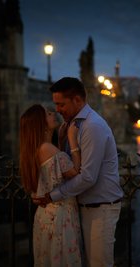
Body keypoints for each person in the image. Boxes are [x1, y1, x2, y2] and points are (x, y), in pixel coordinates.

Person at [39, 77, 124, 267]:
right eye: (56, 105)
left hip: (100, 208)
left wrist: (52, 196)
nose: (58, 110)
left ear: (77, 100)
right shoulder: (72, 125)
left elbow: (87, 177)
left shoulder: (92, 126)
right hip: (84, 207)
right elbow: (68, 167)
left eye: (61, 104)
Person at [19, 104, 83, 267]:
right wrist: (72, 140)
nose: (53, 114)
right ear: (41, 122)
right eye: (48, 113)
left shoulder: (38, 149)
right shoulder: (47, 148)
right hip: (59, 217)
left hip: (45, 215)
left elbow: (57, 169)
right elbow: (75, 171)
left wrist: (60, 141)